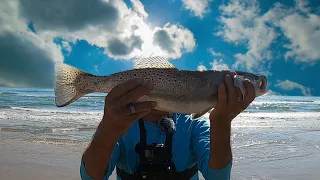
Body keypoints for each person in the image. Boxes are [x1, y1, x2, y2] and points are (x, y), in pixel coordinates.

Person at [80, 72, 256, 180]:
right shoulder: (120, 124)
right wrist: (107, 132)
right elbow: (91, 177)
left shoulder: (194, 124)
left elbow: (218, 178)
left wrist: (222, 122)